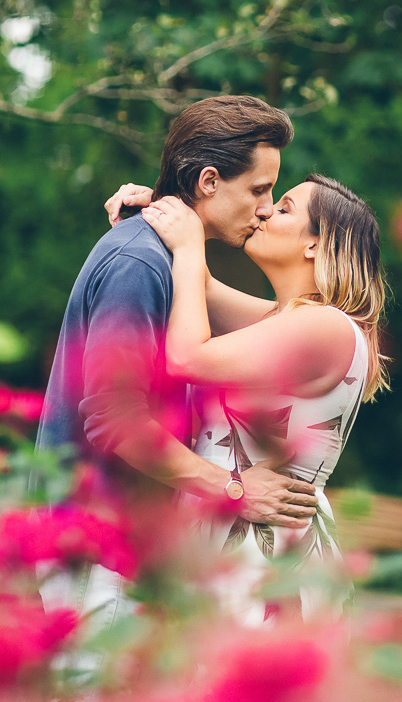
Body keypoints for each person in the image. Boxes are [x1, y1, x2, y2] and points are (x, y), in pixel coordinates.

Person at [36, 96, 319, 632]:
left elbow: (289, 328)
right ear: (209, 181)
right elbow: (114, 420)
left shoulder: (170, 260)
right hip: (98, 555)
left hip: (126, 558)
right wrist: (233, 487)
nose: (266, 206)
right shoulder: (139, 263)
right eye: (260, 190)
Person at [111, 172, 388, 623]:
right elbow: (197, 284)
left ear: (315, 245)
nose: (264, 210)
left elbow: (185, 358)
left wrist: (185, 244)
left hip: (264, 562)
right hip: (231, 543)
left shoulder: (324, 327)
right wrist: (156, 211)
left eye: (284, 208)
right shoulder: (285, 320)